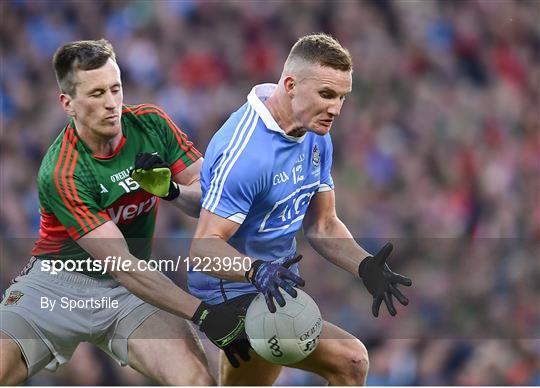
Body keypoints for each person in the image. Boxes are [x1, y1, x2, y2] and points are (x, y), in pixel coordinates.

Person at [0, 39, 246, 385]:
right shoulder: (62, 171)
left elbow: (213, 201)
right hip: (57, 287)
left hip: (130, 294)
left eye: (115, 89)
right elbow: (121, 265)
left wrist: (172, 191)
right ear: (67, 104)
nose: (111, 103)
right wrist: (204, 314)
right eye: (96, 94)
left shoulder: (151, 124)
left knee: (196, 381)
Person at [187, 33, 412, 385]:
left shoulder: (316, 134)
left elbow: (322, 225)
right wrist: (256, 271)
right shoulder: (246, 152)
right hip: (230, 292)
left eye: (342, 97)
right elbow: (202, 249)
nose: (336, 108)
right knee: (351, 360)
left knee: (347, 364)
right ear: (291, 85)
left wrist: (364, 265)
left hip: (272, 286)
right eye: (326, 95)